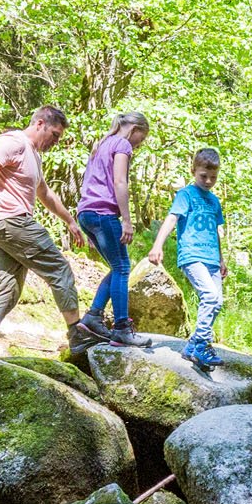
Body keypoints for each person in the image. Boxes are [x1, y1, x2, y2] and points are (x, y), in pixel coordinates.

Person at [0, 106, 88, 349]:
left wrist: (70, 221)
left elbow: (45, 194)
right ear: (40, 123)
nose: (55, 141)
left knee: (8, 289)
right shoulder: (15, 142)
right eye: (54, 134)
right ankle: (77, 334)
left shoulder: (33, 154)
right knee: (59, 269)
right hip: (12, 222)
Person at [143, 146, 226, 371]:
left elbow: (216, 231)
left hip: (211, 258)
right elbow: (171, 219)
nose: (208, 181)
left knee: (217, 301)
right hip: (192, 255)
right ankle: (201, 344)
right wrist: (157, 244)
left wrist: (221, 259)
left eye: (213, 177)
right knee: (209, 295)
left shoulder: (214, 201)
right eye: (203, 176)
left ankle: (191, 347)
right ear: (193, 171)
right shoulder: (186, 195)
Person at [74, 111, 148, 345]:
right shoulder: (122, 145)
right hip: (104, 213)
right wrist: (126, 219)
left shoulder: (101, 144)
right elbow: (119, 182)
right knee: (123, 268)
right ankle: (121, 328)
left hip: (86, 213)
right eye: (142, 139)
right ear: (135, 129)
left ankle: (94, 316)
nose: (139, 145)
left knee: (117, 267)